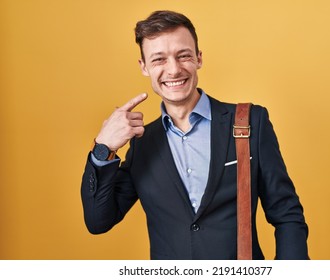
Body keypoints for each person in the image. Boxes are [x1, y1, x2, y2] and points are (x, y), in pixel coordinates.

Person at [81, 10, 309, 260]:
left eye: (184, 56)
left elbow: (287, 214)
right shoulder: (143, 143)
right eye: (159, 60)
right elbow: (98, 221)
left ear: (199, 58)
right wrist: (103, 147)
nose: (174, 70)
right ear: (144, 67)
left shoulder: (250, 122)